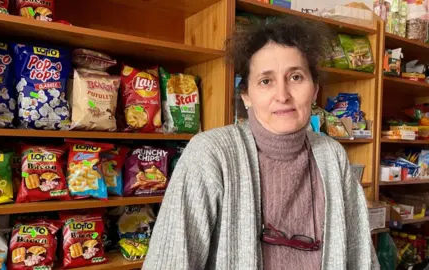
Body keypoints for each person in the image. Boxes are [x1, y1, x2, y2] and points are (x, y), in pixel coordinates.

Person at [143, 17, 378, 270]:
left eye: (296, 77)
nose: (282, 96)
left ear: (315, 89)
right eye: (266, 81)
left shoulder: (332, 155)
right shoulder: (211, 153)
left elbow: (360, 254)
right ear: (246, 96)